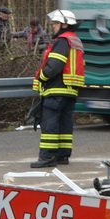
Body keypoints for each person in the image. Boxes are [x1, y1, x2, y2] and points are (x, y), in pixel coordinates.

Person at [30, 10, 85, 168]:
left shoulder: (62, 41)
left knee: (50, 124)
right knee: (64, 124)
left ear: (64, 24)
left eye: (55, 24)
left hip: (56, 89)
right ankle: (62, 155)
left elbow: (53, 66)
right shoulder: (75, 41)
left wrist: (41, 77)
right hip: (70, 90)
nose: (53, 27)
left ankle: (47, 157)